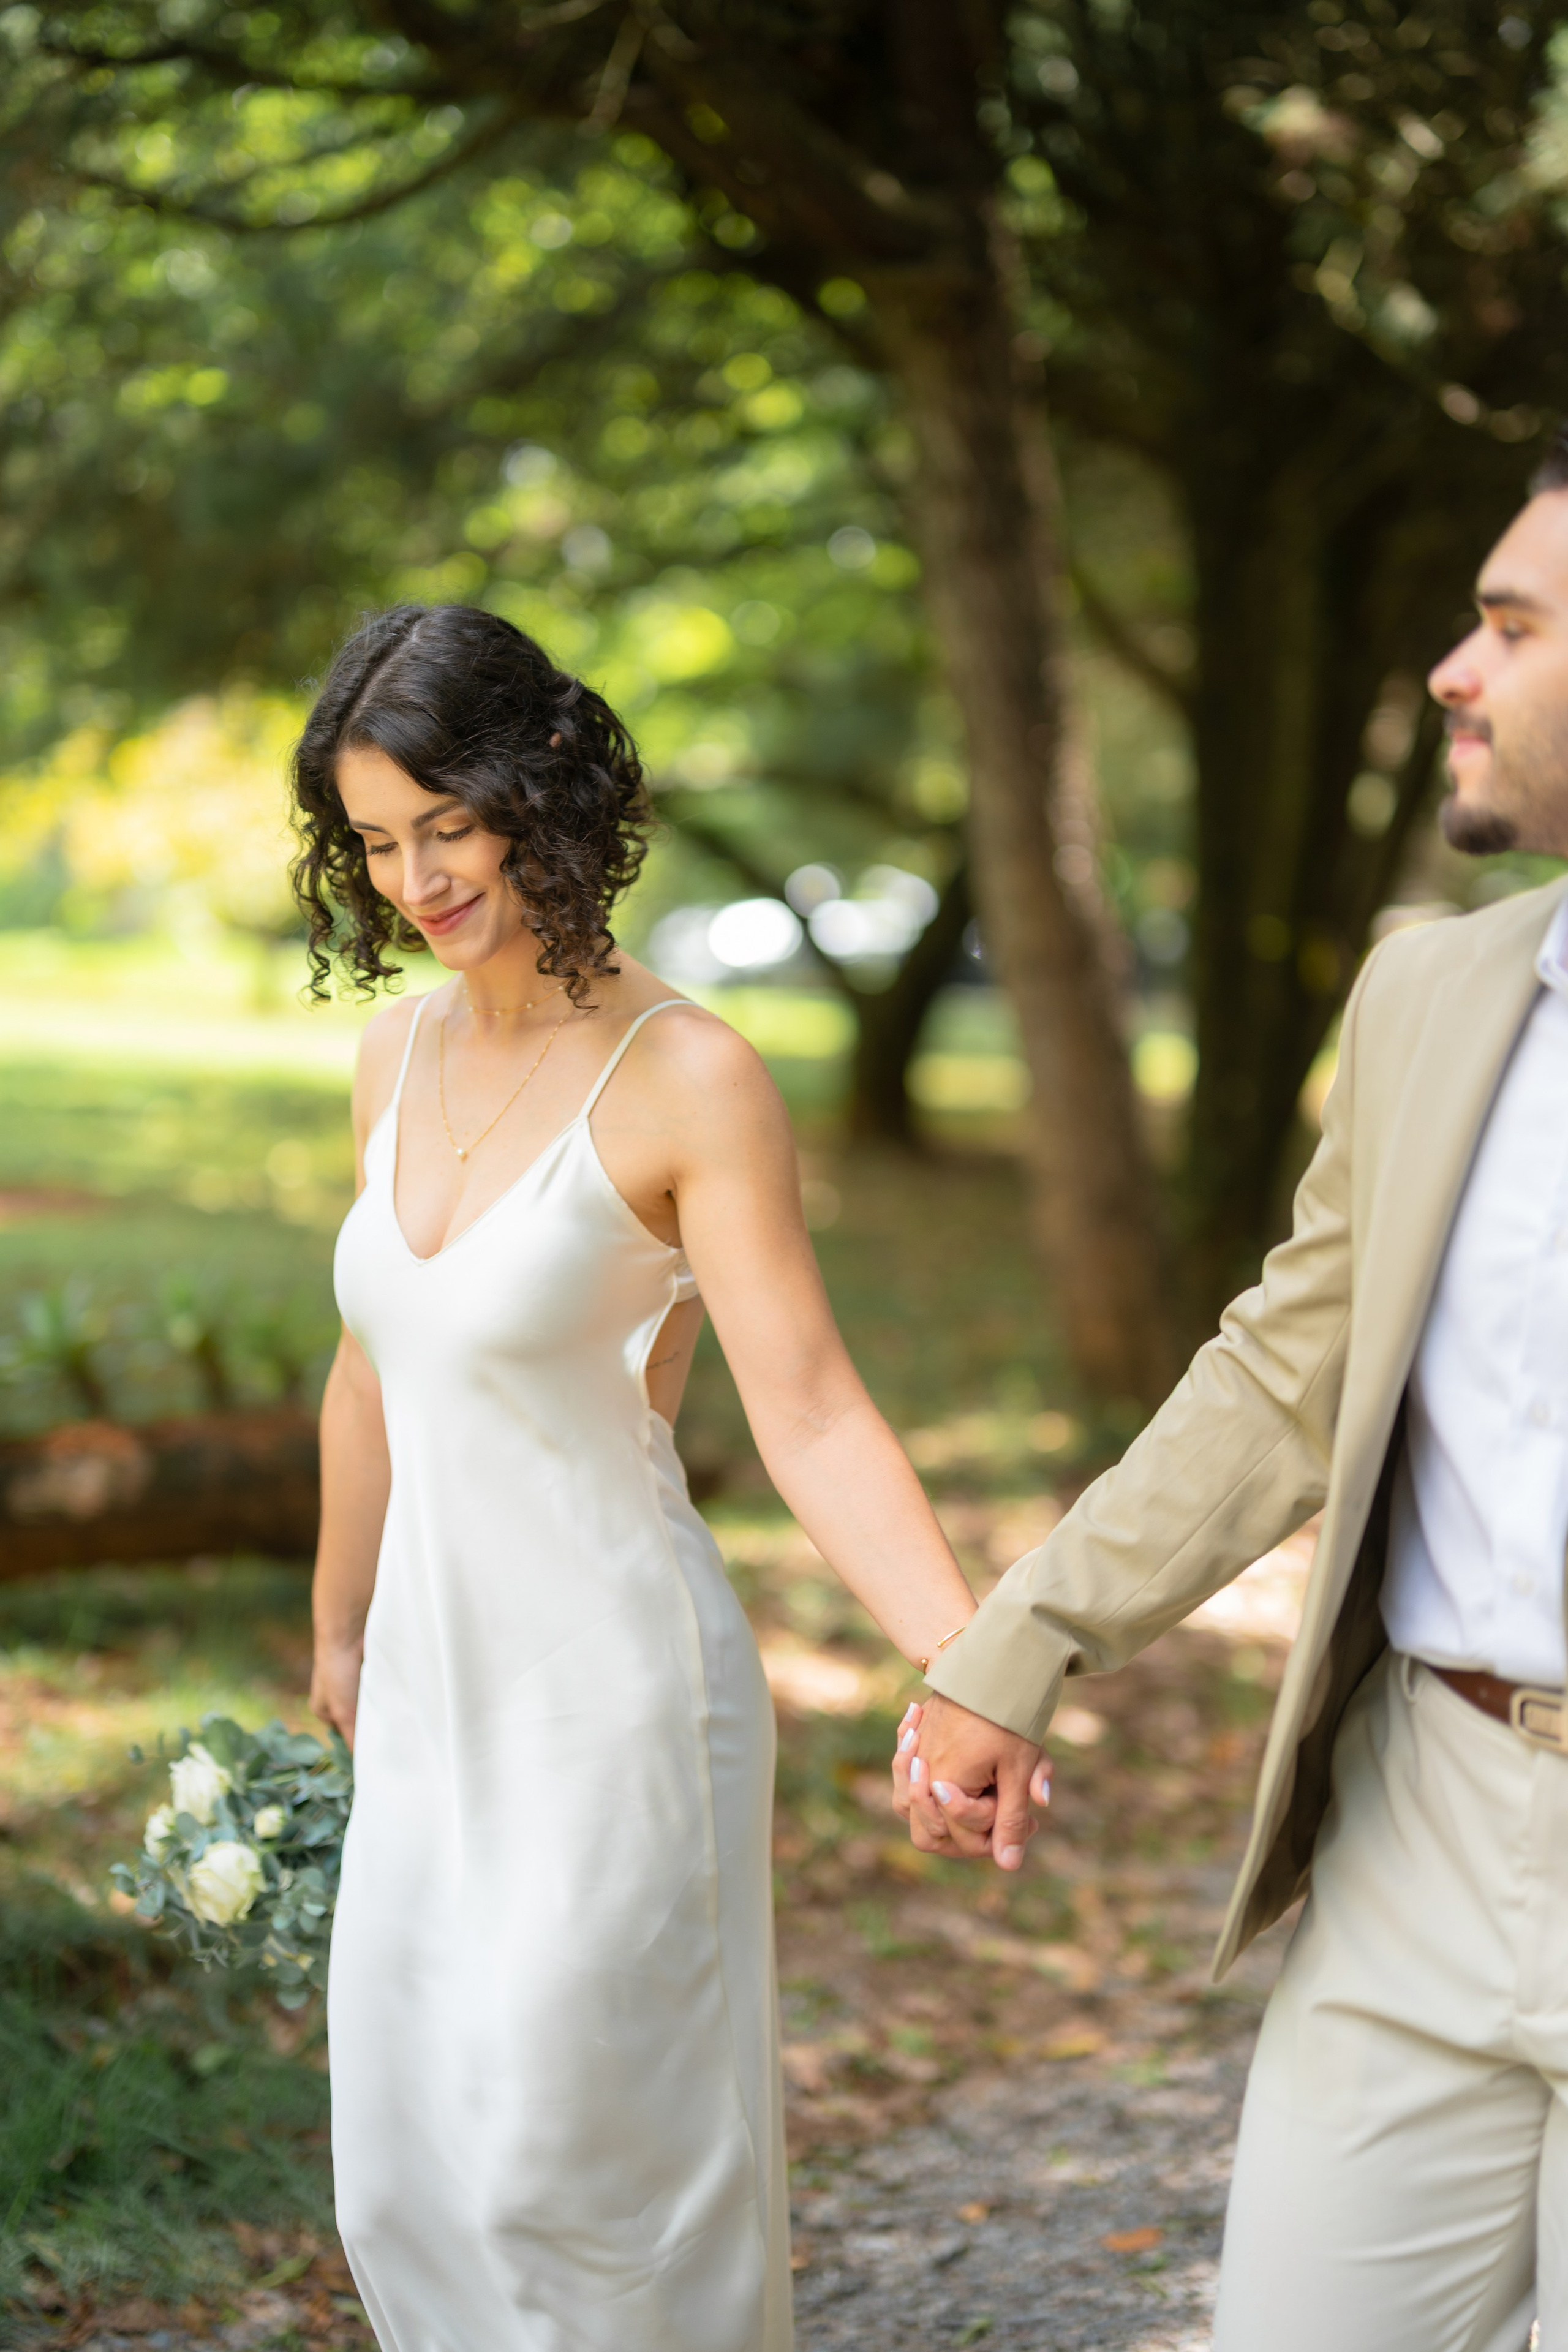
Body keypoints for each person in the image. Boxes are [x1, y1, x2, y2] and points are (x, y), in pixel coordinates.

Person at [895, 435, 1568, 2351]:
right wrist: (1016, 1641)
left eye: (1509, 626)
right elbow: (1287, 1366)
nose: (1452, 667)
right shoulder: (1439, 995)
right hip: (1422, 1832)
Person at [295, 603, 979, 2352]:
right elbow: (370, 1368)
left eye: (448, 824)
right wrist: (338, 1630)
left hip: (614, 1701)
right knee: (403, 2166)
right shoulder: (394, 1058)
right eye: (377, 843)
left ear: (541, 787)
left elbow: (813, 1408)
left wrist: (973, 1663)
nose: (417, 878)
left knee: (574, 2171)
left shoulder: (689, 1079)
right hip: (432, 1694)